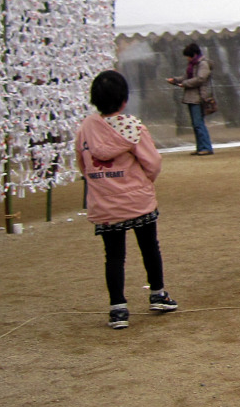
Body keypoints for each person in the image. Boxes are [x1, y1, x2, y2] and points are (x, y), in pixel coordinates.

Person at [75, 70, 178, 330]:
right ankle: (158, 294)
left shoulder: (86, 129)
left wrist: (99, 184)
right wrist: (143, 183)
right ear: (124, 100)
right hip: (137, 199)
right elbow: (152, 162)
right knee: (149, 247)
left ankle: (117, 308)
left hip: (105, 202)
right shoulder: (134, 128)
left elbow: (82, 164)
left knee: (113, 256)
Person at [166, 42, 214, 155]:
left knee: (198, 123)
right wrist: (175, 80)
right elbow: (186, 77)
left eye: (188, 56)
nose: (187, 59)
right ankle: (201, 147)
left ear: (194, 54)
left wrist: (185, 84)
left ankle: (206, 147)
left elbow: (200, 79)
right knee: (196, 124)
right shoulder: (193, 65)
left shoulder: (203, 64)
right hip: (191, 97)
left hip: (199, 97)